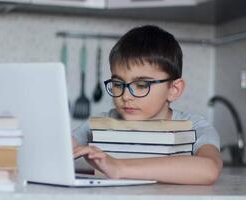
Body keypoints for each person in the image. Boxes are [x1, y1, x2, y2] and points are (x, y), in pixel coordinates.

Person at [72, 25, 222, 185]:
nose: (126, 96)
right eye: (118, 83)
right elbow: (60, 149)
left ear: (173, 89)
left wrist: (119, 167)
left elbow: (209, 169)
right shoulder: (98, 124)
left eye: (142, 85)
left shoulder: (196, 126)